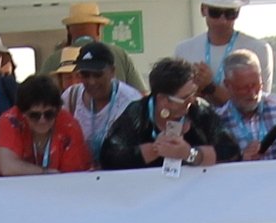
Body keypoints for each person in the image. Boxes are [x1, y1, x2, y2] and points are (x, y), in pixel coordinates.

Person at [100, 58, 242, 170]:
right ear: (162, 99)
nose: (192, 100)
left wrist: (190, 154)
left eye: (193, 93)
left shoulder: (199, 110)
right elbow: (108, 158)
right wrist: (155, 150)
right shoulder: (137, 113)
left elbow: (232, 151)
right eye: (185, 97)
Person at [176, 0, 273, 97]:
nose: (223, 21)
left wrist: (210, 87)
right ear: (203, 10)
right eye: (215, 12)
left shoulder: (258, 49)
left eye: (230, 13)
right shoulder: (183, 50)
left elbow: (257, 102)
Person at [0, 74, 93, 176]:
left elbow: (73, 175)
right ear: (22, 113)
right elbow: (7, 167)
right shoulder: (11, 120)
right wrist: (45, 172)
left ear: (58, 111)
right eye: (34, 115)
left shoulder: (69, 125)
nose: (42, 120)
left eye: (49, 114)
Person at [61, 41, 143, 160]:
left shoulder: (131, 101)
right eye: (85, 75)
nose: (92, 81)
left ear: (112, 71)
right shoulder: (70, 97)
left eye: (98, 75)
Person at [61, 1, 144, 90]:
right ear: (98, 28)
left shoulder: (58, 57)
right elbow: (141, 92)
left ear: (69, 30)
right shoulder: (119, 54)